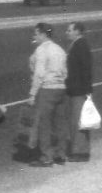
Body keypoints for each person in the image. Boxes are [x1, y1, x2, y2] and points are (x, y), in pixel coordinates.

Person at [27, 21, 70, 167]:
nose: (34, 36)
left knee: (44, 124)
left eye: (36, 33)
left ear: (43, 34)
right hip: (61, 89)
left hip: (48, 89)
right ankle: (61, 154)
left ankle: (46, 157)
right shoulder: (60, 49)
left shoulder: (41, 50)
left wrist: (33, 94)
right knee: (60, 124)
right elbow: (65, 72)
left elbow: (39, 74)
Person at [65, 21, 94, 162]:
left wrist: (87, 91)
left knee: (79, 122)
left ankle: (80, 153)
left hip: (79, 91)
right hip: (76, 90)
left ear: (77, 31)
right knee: (77, 121)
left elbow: (86, 69)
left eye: (70, 30)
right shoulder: (77, 44)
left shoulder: (80, 45)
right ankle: (80, 150)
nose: (67, 32)